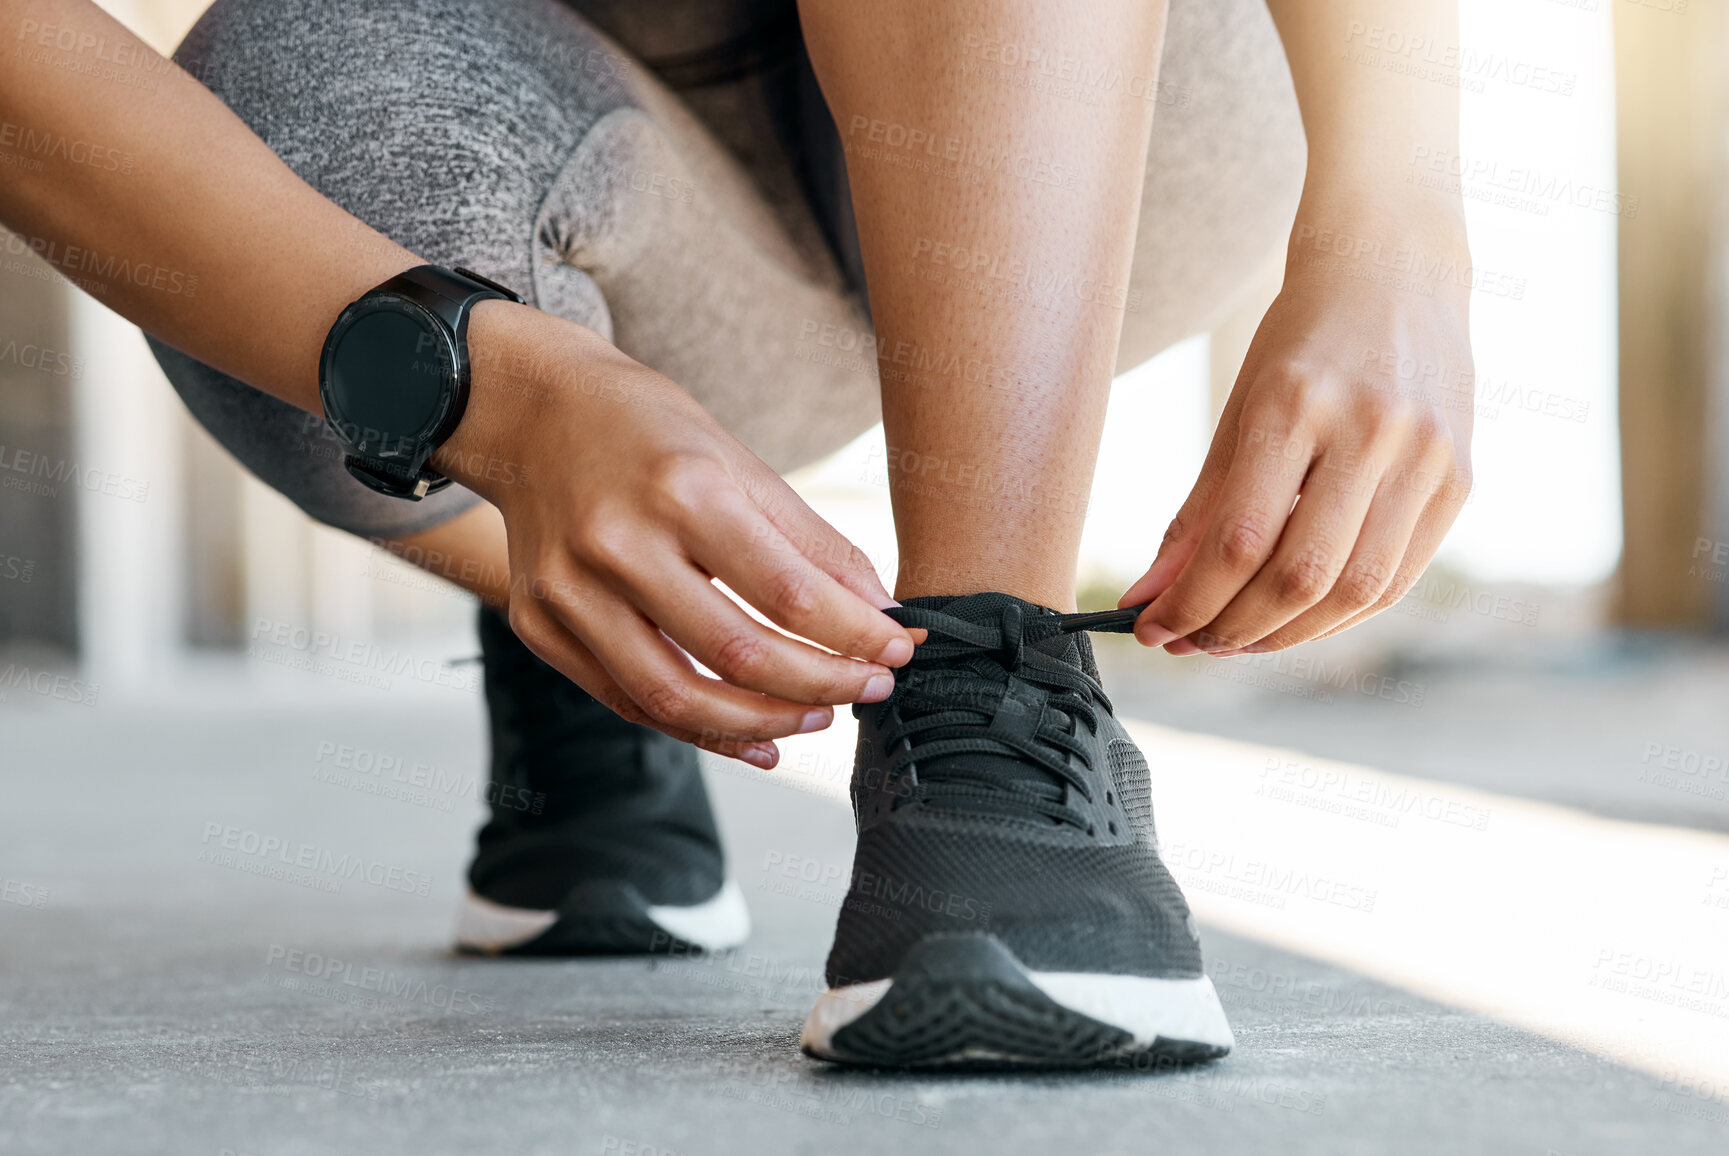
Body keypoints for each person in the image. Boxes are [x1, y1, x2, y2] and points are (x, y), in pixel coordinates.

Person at [0, 0, 1473, 1068]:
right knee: (288, 125)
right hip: (576, 160)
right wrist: (505, 410)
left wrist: (1394, 227)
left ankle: (989, 689)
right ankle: (600, 614)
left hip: (1107, 116)